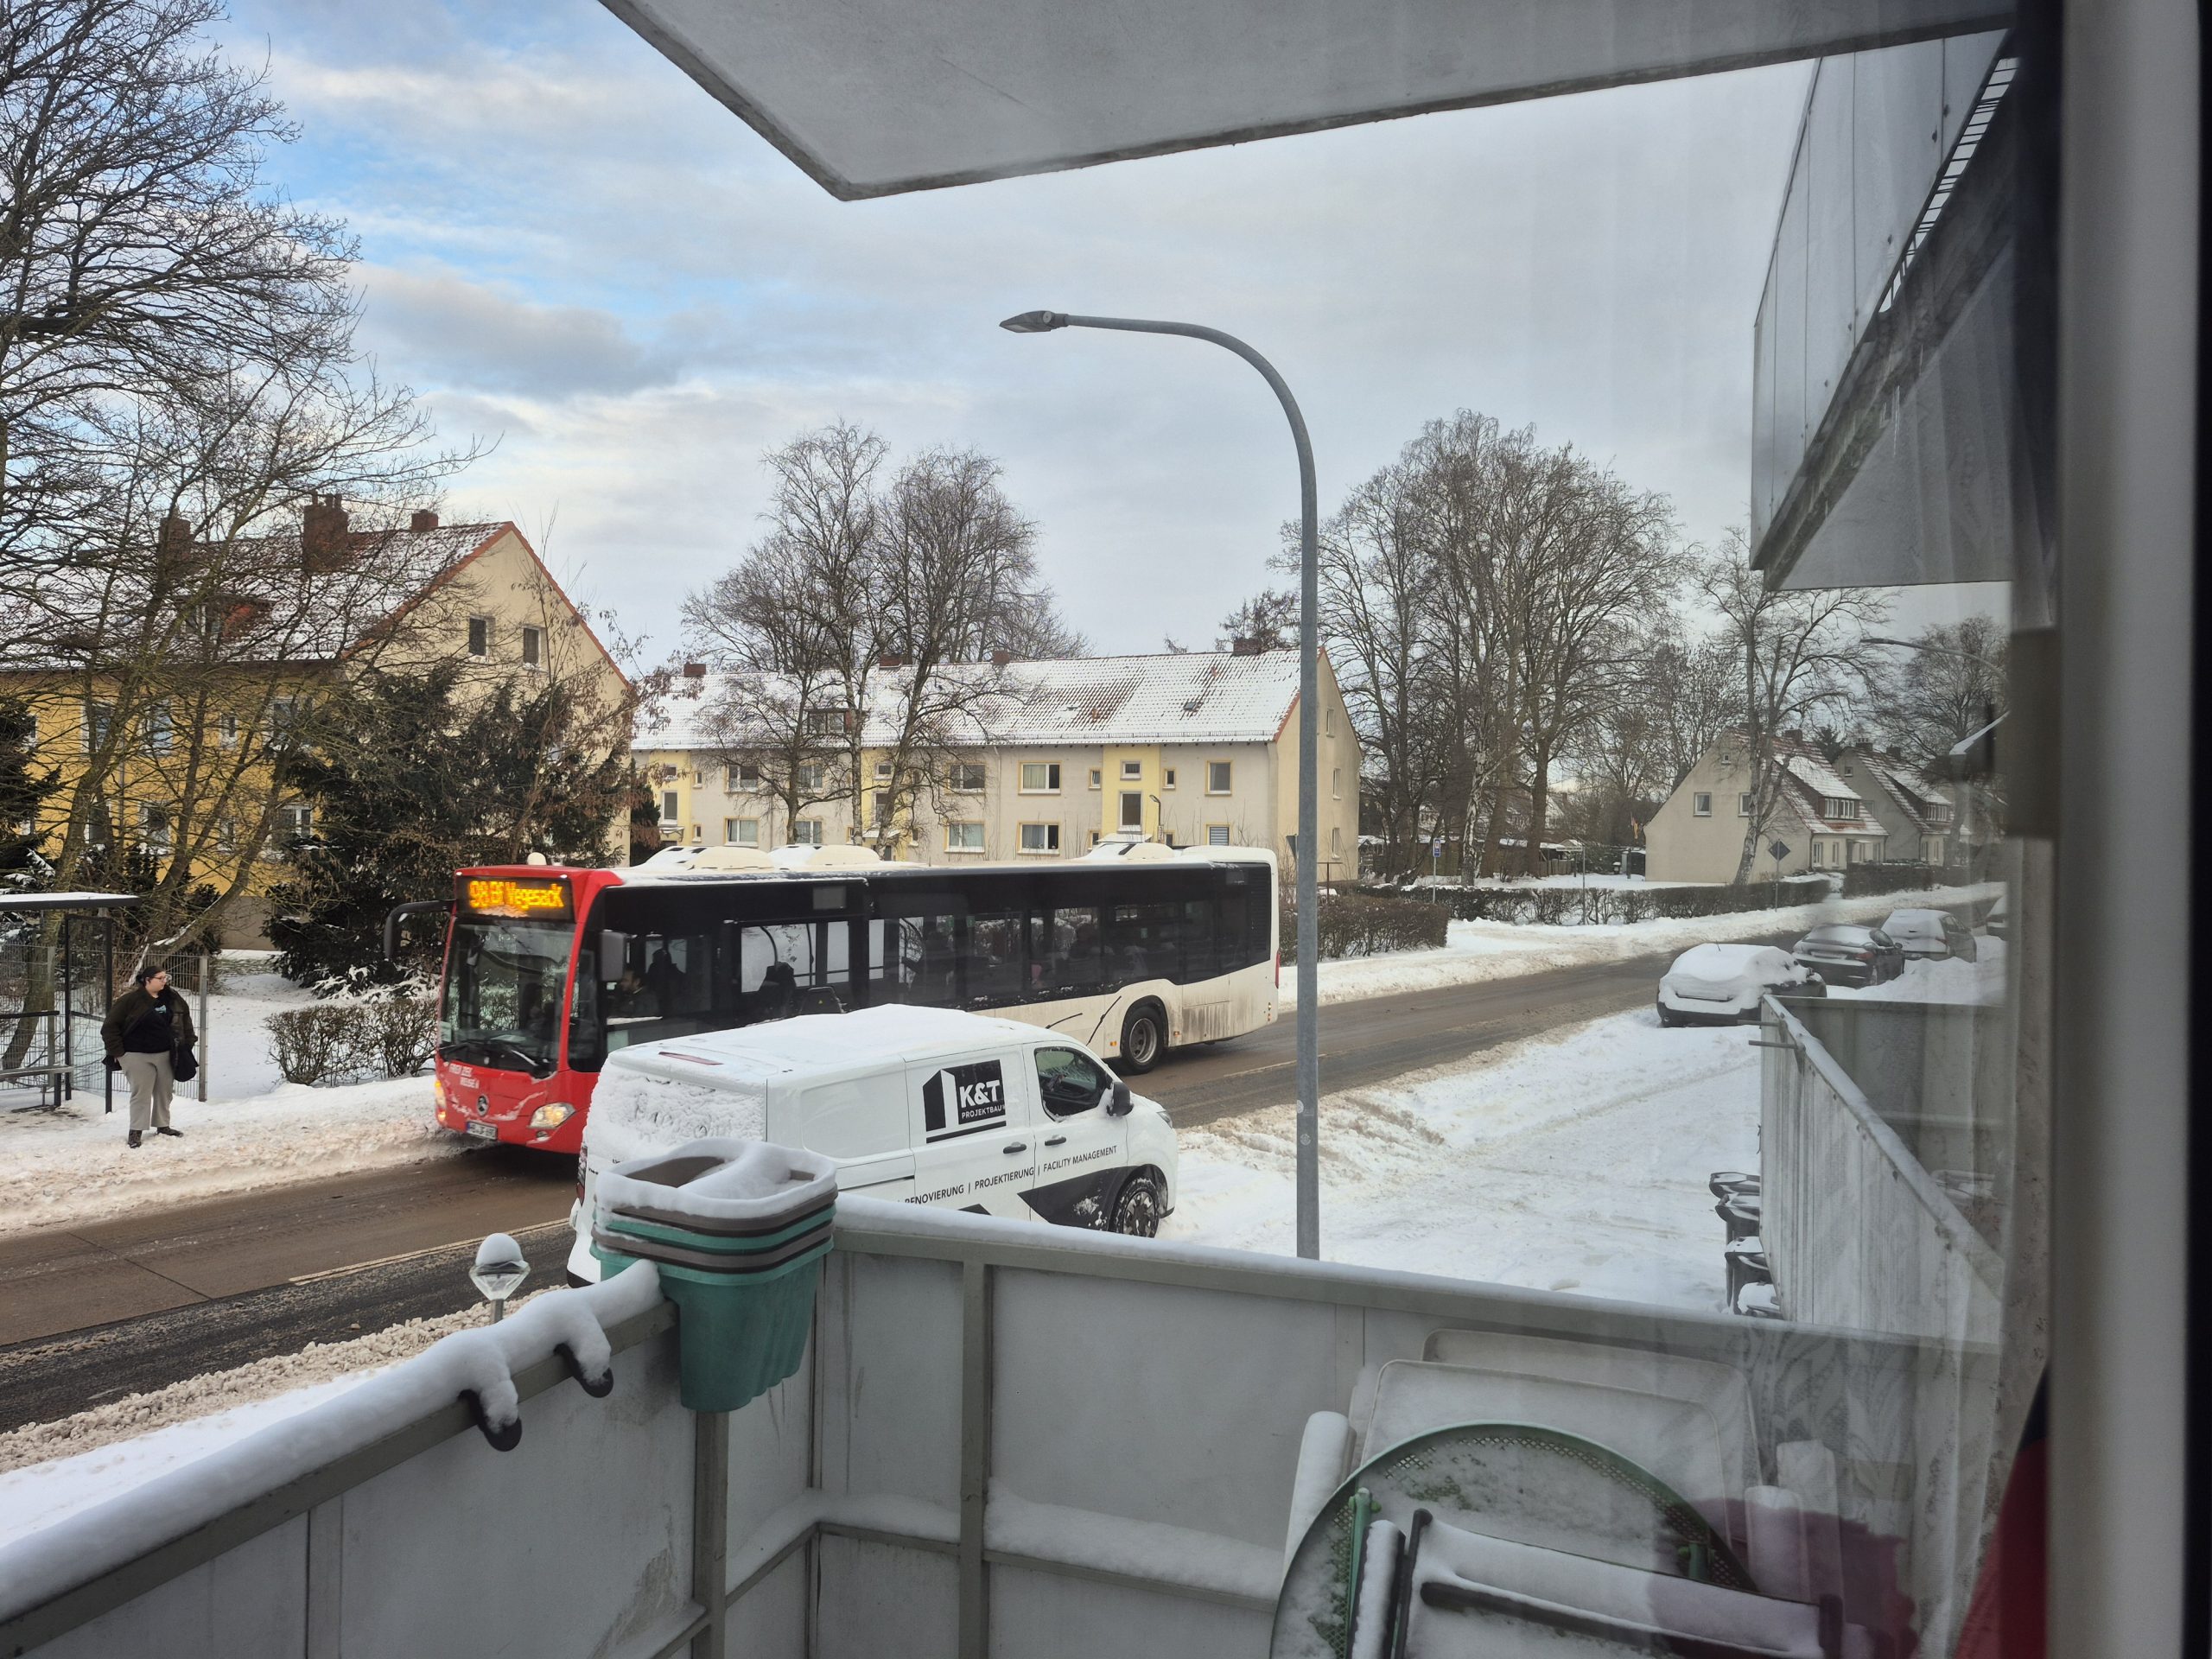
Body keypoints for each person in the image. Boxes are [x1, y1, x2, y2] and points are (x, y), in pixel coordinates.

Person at [101, 963, 195, 1150]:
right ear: (147, 980)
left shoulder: (172, 999)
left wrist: (187, 1043)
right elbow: (110, 1027)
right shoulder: (130, 1001)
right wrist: (119, 1053)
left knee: (164, 1092)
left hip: (166, 1054)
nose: (164, 981)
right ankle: (136, 1131)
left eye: (165, 977)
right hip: (136, 1055)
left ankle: (163, 1125)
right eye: (160, 978)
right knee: (141, 1093)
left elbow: (185, 1022)